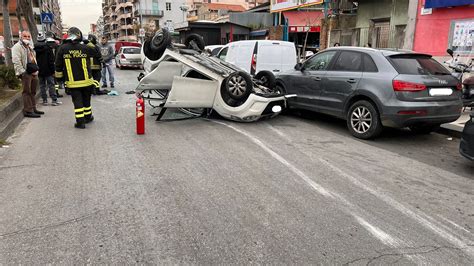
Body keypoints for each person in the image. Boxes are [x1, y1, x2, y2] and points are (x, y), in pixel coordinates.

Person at [55, 27, 99, 129]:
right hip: (87, 81)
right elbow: (96, 52)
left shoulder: (63, 48)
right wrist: (88, 42)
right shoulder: (85, 48)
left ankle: (80, 122)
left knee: (77, 102)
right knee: (86, 101)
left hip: (73, 83)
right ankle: (88, 117)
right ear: (79, 35)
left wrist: (60, 80)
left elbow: (58, 65)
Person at [12, 31, 44, 118]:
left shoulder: (29, 46)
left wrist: (35, 69)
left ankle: (33, 108)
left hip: (33, 72)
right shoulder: (17, 47)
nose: (27, 38)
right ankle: (28, 111)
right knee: (26, 91)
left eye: (28, 36)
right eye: (25, 36)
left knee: (33, 91)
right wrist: (23, 72)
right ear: (21, 37)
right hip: (25, 73)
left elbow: (33, 59)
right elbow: (16, 61)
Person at [34, 33, 62, 106]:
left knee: (42, 85)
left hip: (39, 70)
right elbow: (51, 61)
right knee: (51, 85)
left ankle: (44, 100)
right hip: (48, 70)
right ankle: (54, 100)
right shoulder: (48, 48)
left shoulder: (35, 49)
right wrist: (53, 71)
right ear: (44, 40)